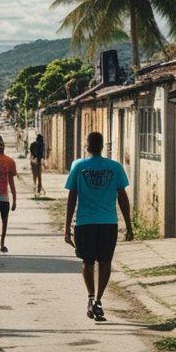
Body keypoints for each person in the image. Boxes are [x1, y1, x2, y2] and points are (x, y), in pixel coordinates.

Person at [64, 131, 132, 322]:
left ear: (86, 145)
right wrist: (129, 225)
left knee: (87, 262)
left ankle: (91, 297)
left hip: (85, 223)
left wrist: (67, 226)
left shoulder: (78, 165)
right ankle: (99, 300)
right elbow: (123, 198)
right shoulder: (115, 167)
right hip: (108, 222)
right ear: (102, 146)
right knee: (105, 262)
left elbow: (72, 198)